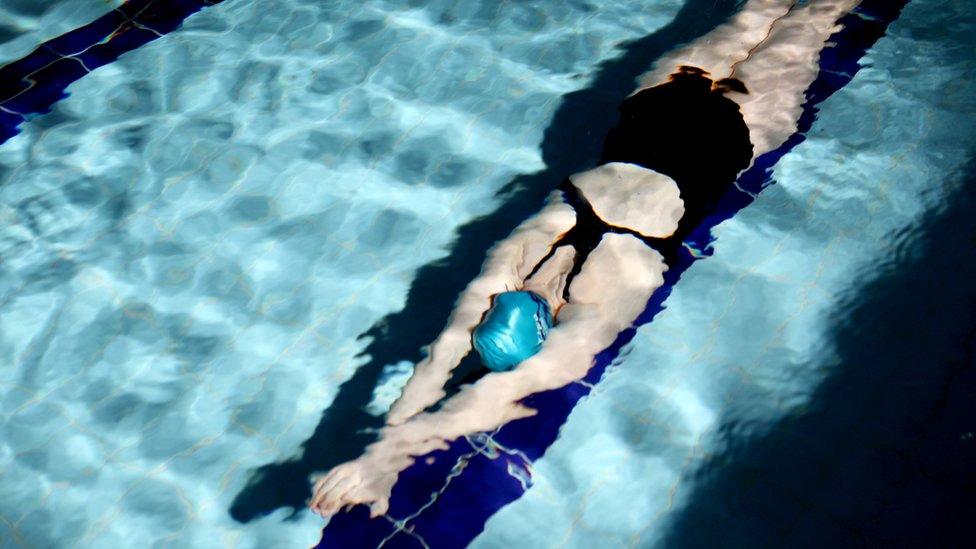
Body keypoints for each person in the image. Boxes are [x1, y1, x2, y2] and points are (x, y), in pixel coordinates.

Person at [309, 0, 862, 518]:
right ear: (550, 322)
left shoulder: (532, 243)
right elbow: (511, 387)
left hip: (660, 102)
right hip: (739, 129)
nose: (513, 292)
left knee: (758, 10)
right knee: (814, 19)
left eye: (500, 302)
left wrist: (386, 445)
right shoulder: (621, 282)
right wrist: (394, 459)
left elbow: (445, 350)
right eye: (522, 306)